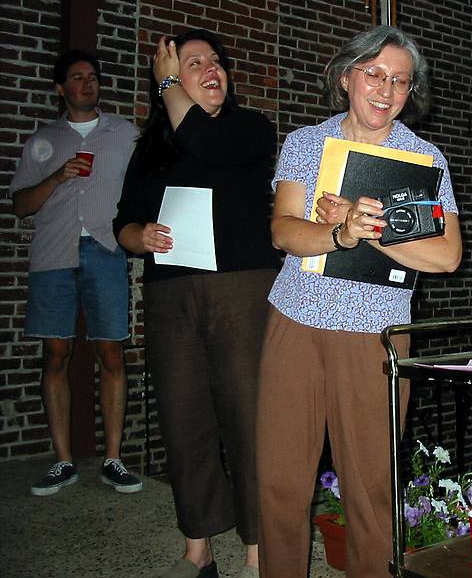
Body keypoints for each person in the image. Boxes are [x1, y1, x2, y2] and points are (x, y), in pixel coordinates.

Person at [256, 26, 462, 578]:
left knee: (370, 489)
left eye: (399, 80)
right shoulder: (307, 144)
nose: (385, 89)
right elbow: (284, 232)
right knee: (279, 481)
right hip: (295, 320)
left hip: (376, 334)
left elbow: (445, 256)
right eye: (374, 73)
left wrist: (368, 228)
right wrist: (340, 234)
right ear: (347, 76)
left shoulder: (423, 161)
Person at [113, 29, 278, 578]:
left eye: (216, 61)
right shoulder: (152, 146)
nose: (211, 69)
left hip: (241, 288)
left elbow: (205, 144)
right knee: (183, 417)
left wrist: (166, 82)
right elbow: (123, 222)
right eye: (192, 63)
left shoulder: (249, 129)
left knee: (249, 415)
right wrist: (140, 237)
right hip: (170, 293)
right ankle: (198, 545)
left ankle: (259, 548)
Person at [10, 50, 142, 497]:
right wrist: (56, 178)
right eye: (77, 78)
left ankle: (113, 459)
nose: (87, 84)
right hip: (53, 255)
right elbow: (20, 206)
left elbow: (146, 185)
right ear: (60, 89)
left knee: (111, 354)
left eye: (92, 77)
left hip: (106, 250)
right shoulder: (43, 140)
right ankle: (63, 460)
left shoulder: (124, 134)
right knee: (56, 354)